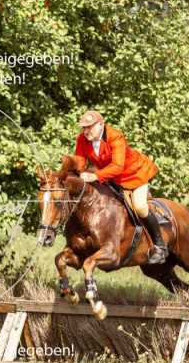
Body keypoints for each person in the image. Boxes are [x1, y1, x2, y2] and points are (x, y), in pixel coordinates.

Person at [70, 110, 168, 264]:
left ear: (101, 124)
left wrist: (95, 176)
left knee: (140, 206)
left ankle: (160, 246)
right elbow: (80, 162)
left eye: (90, 127)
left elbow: (117, 166)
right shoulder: (82, 139)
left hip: (134, 175)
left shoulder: (115, 136)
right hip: (110, 178)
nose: (86, 131)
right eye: (84, 127)